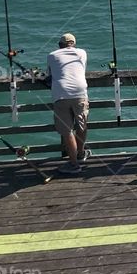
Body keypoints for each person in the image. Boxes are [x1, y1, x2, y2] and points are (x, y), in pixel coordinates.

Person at [47, 32, 89, 175]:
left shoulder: (52, 55)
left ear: (60, 45)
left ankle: (74, 164)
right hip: (80, 91)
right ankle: (81, 154)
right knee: (82, 125)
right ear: (74, 44)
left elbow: (50, 75)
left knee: (67, 131)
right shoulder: (82, 53)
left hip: (61, 93)